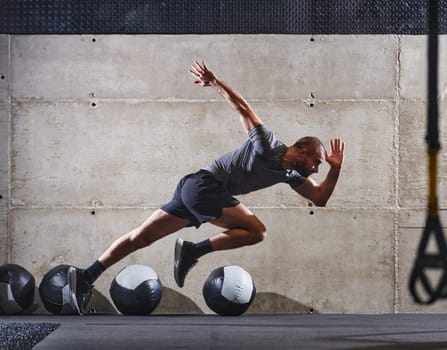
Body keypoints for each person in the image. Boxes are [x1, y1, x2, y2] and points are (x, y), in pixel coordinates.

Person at [69, 60, 345, 315]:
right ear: (303, 149)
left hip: (195, 190)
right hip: (204, 187)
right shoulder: (267, 145)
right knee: (257, 231)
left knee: (141, 238)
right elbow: (242, 108)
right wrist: (214, 82)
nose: (316, 169)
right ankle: (193, 251)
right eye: (317, 162)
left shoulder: (289, 174)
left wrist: (336, 168)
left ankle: (85, 276)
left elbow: (319, 198)